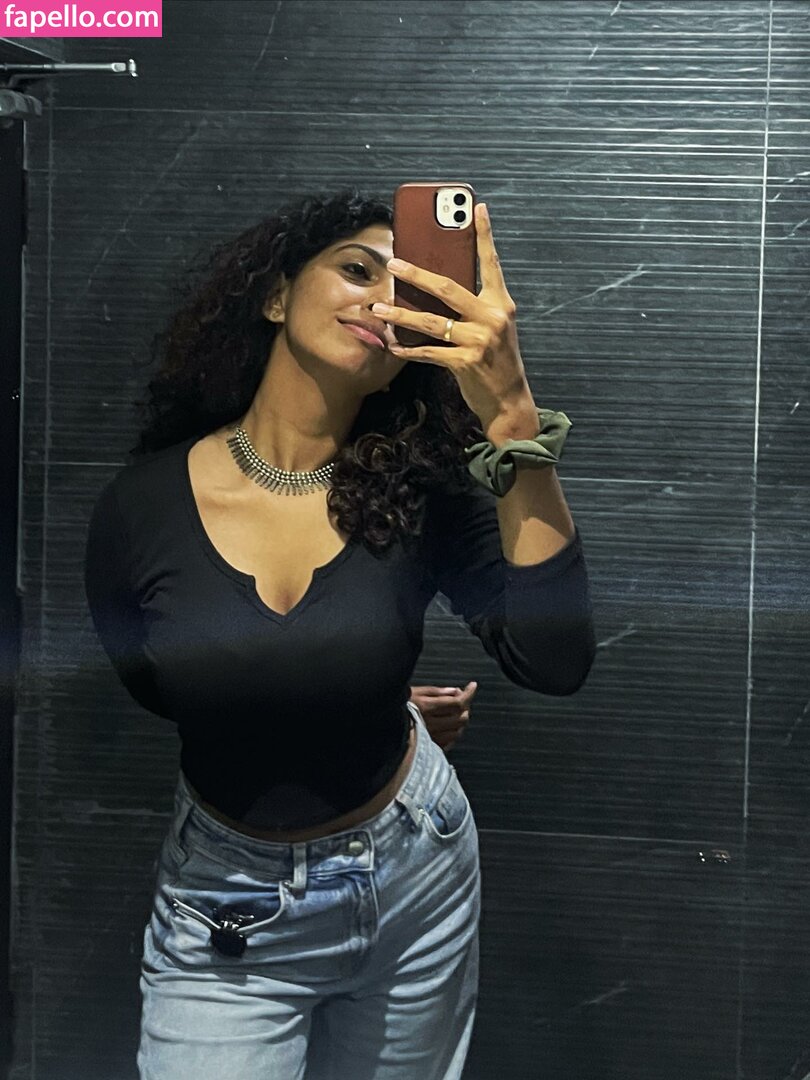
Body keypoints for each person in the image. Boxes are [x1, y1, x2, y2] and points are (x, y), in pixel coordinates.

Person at [84, 189, 595, 1080]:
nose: (381, 302)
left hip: (415, 880)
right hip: (225, 908)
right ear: (276, 294)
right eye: (358, 271)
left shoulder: (421, 492)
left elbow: (554, 660)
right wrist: (327, 690)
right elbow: (163, 690)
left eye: (408, 295)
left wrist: (512, 416)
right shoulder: (142, 507)